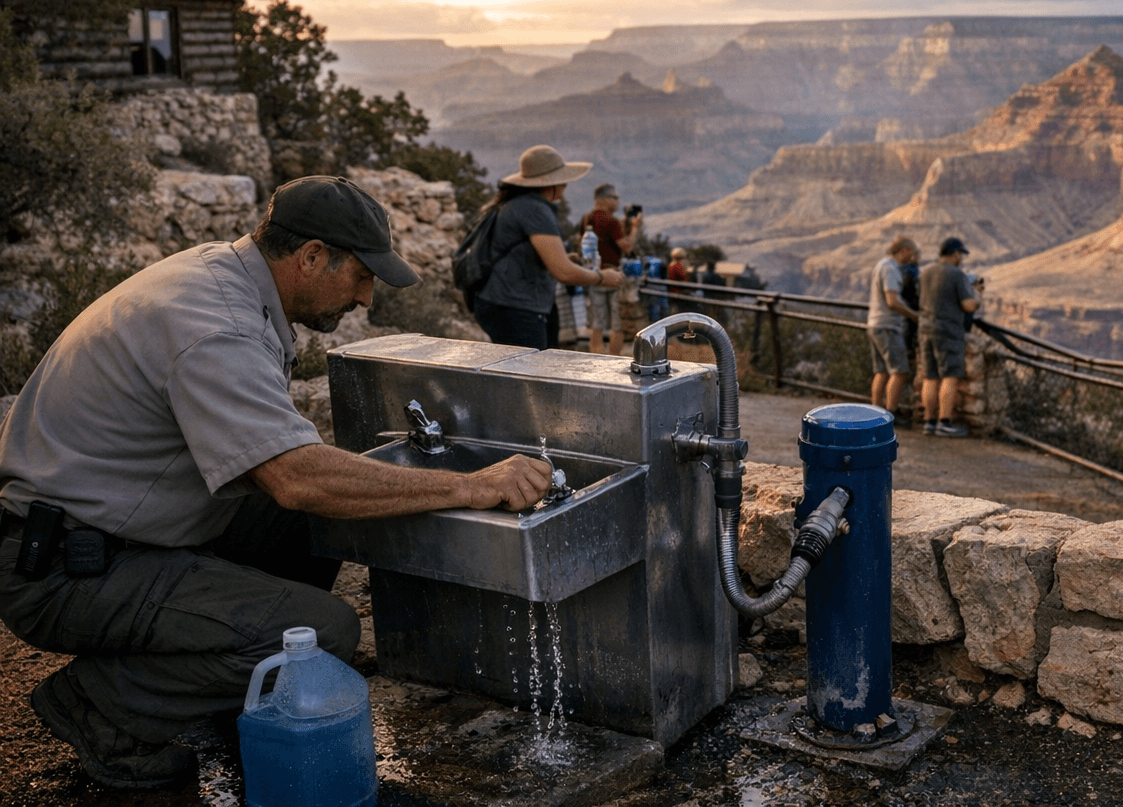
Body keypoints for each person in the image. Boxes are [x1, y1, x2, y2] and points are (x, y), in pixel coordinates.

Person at [0, 176, 554, 790]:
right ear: (312, 255)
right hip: (64, 568)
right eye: (362, 276)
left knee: (315, 515)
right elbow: (295, 478)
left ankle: (224, 665)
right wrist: (470, 486)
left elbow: (291, 473)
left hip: (106, 528)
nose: (367, 298)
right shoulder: (217, 326)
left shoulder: (225, 274)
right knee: (323, 633)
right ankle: (100, 705)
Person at [473, 146, 623, 349]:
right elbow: (562, 272)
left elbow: (531, 255)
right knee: (530, 375)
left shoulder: (517, 203)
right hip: (517, 307)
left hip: (504, 303)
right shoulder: (535, 210)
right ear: (550, 183)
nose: (565, 186)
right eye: (562, 180)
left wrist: (562, 257)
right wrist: (602, 278)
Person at [918, 237, 982, 437]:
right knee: (950, 376)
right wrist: (977, 294)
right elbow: (968, 305)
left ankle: (928, 422)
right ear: (955, 254)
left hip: (925, 330)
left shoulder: (925, 273)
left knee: (930, 376)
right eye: (960, 255)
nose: (961, 258)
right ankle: (944, 423)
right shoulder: (957, 275)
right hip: (948, 331)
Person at [579, 184, 643, 355]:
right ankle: (613, 360)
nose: (617, 201)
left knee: (597, 323)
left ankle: (596, 357)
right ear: (605, 199)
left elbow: (581, 243)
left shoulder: (587, 218)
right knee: (618, 323)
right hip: (612, 275)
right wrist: (635, 227)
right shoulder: (611, 221)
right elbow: (627, 247)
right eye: (614, 198)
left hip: (594, 275)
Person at [868, 237, 921, 426]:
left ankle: (875, 412)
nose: (913, 257)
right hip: (887, 325)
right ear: (904, 250)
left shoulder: (882, 265)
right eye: (911, 252)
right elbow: (892, 301)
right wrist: (913, 315)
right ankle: (891, 413)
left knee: (881, 371)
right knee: (900, 371)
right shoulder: (890, 269)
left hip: (875, 323)